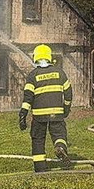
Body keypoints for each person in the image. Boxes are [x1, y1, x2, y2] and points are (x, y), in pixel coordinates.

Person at [18, 44, 72, 172]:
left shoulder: (33, 75)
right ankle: (60, 147)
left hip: (39, 115)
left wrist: (23, 114)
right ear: (49, 57)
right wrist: (66, 107)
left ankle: (40, 168)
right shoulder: (60, 73)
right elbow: (68, 92)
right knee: (59, 134)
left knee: (38, 139)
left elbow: (28, 98)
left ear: (36, 57)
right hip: (57, 113)